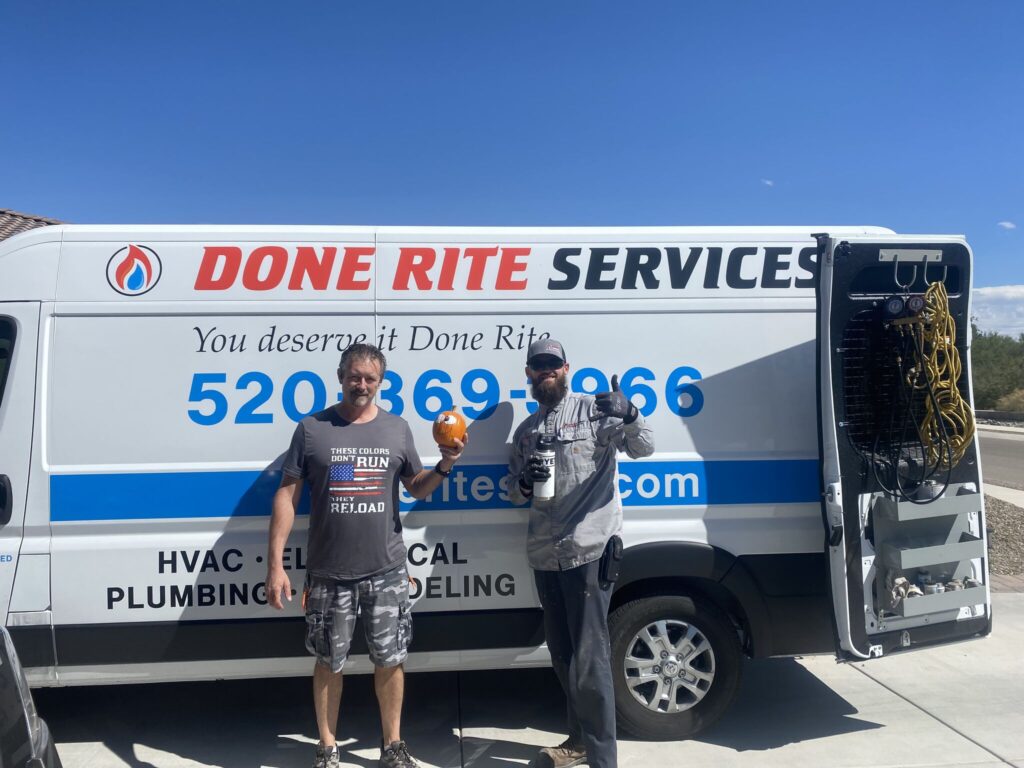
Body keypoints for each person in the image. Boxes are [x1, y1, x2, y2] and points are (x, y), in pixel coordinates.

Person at [266, 343, 465, 768]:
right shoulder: (312, 429)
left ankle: (392, 746)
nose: (362, 385)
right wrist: (276, 564)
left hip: (386, 571)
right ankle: (327, 747)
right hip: (328, 573)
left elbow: (416, 487)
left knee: (391, 660)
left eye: (370, 378)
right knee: (328, 661)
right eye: (354, 376)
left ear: (381, 383)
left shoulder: (397, 428)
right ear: (340, 377)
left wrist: (446, 463)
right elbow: (287, 494)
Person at [507, 339, 654, 768]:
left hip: (589, 549)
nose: (546, 371)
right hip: (544, 554)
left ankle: (603, 760)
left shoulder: (596, 411)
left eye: (553, 364)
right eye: (539, 365)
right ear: (530, 374)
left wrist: (630, 413)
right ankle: (579, 740)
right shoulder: (526, 431)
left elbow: (643, 447)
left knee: (590, 660)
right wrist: (524, 483)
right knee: (563, 655)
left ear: (566, 368)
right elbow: (514, 494)